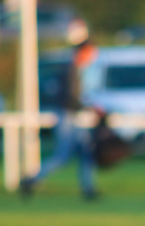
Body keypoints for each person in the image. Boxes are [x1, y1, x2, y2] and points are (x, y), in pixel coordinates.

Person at [20, 23, 99, 201]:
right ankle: (31, 180)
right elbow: (70, 98)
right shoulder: (72, 70)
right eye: (90, 53)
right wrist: (88, 108)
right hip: (67, 117)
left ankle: (88, 188)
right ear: (83, 52)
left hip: (71, 116)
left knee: (86, 152)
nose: (92, 57)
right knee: (63, 156)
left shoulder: (75, 70)